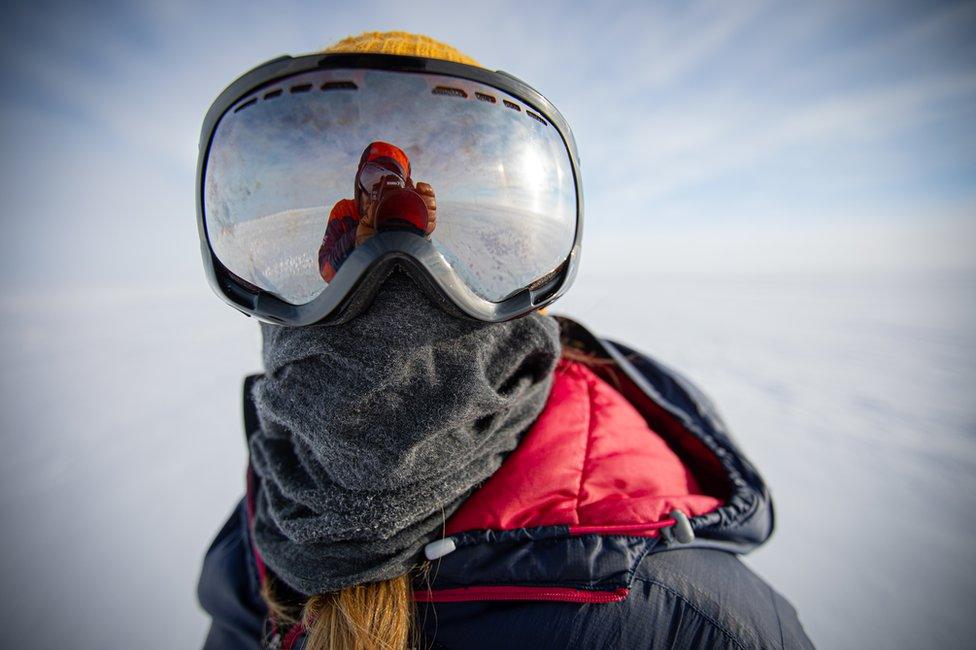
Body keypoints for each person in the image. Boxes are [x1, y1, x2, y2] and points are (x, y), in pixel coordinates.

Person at [196, 31, 814, 649]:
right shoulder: (260, 534)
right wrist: (360, 235)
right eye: (375, 180)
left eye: (395, 182)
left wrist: (420, 229)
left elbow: (432, 269)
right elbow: (334, 273)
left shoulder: (684, 626)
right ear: (359, 184)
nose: (394, 277)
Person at [319, 141, 437, 282]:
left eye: (391, 186)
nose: (376, 194)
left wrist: (419, 228)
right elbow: (326, 271)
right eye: (370, 180)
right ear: (359, 185)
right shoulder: (344, 212)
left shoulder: (405, 214)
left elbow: (425, 277)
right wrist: (355, 238)